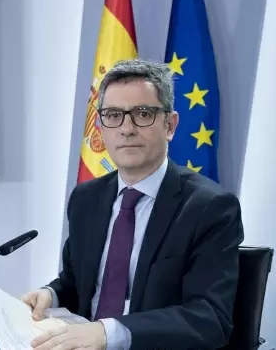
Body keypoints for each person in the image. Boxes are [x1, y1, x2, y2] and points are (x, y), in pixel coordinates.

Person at [25, 59, 244, 350]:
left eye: (143, 114)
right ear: (101, 126)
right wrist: (50, 294)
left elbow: (209, 319)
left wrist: (108, 333)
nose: (127, 129)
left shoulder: (211, 208)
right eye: (113, 115)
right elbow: (77, 281)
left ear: (170, 125)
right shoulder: (85, 199)